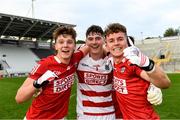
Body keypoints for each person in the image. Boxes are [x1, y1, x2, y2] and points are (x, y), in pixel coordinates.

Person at [15, 26, 89, 119]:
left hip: (60, 117)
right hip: (37, 118)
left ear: (74, 46)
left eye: (69, 42)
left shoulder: (75, 58)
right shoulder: (45, 65)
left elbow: (87, 47)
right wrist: (38, 83)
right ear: (55, 46)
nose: (65, 45)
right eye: (61, 42)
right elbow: (19, 98)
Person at [104, 23, 171, 119]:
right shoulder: (112, 61)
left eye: (120, 39)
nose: (116, 43)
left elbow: (165, 83)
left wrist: (147, 65)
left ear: (126, 41)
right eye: (111, 41)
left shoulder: (132, 62)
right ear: (107, 45)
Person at [76, 25, 116, 120]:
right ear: (86, 41)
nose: (94, 42)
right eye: (90, 39)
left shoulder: (112, 59)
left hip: (108, 114)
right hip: (85, 115)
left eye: (98, 38)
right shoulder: (78, 59)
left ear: (103, 40)